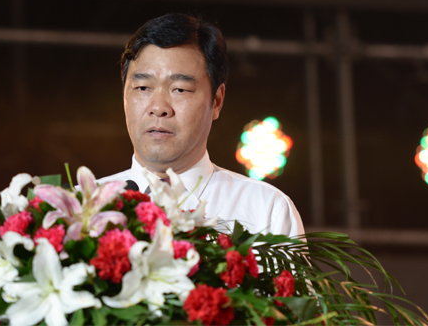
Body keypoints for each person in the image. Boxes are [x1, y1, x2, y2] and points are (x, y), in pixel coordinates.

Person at [99, 13, 304, 238]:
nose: (158, 107)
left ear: (216, 101)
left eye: (180, 89)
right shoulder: (81, 209)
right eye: (142, 88)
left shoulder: (266, 212)